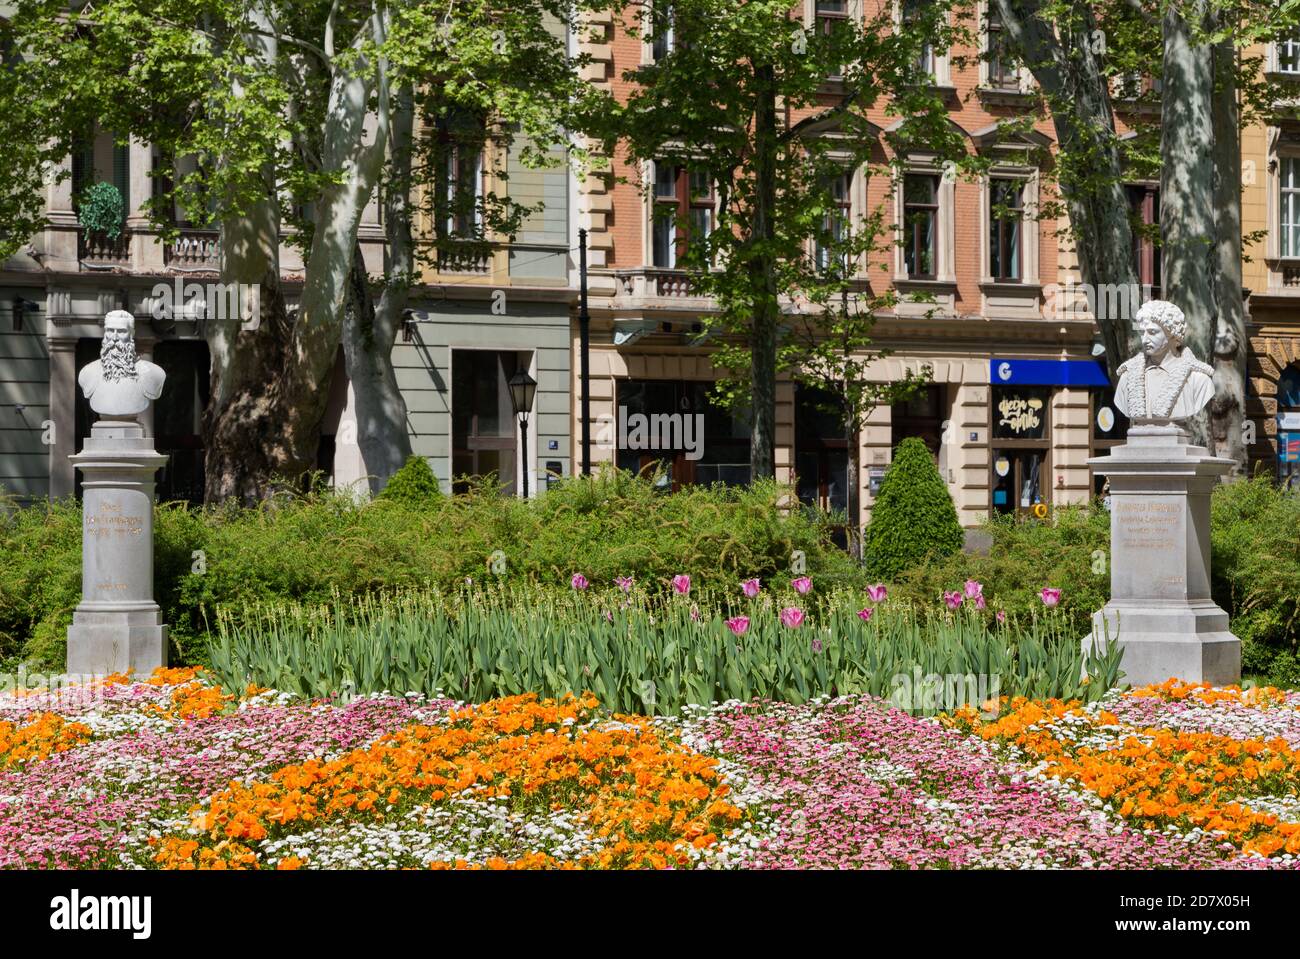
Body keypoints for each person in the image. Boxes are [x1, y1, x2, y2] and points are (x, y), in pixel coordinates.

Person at [1113, 300, 1214, 421]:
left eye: (1152, 332)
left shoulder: (1198, 380)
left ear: (1172, 333)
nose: (1144, 340)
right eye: (1141, 333)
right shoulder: (1127, 378)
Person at [77, 310, 166, 417]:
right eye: (110, 330)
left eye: (121, 331)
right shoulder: (88, 372)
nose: (114, 338)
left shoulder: (154, 373)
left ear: (131, 334)